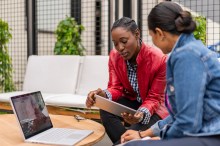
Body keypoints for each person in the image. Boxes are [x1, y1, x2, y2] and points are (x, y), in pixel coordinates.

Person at [120, 1, 220, 146]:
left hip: (212, 136)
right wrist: (143, 134)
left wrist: (159, 138)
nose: (152, 42)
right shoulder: (189, 50)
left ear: (159, 33)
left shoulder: (186, 56)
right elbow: (181, 115)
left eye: (151, 36)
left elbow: (187, 122)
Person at [86, 17, 169, 145]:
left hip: (155, 109)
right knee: (106, 109)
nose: (120, 48)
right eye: (115, 43)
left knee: (131, 134)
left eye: (124, 41)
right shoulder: (114, 56)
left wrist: (140, 114)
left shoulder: (159, 59)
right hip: (134, 103)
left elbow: (155, 98)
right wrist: (103, 94)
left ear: (137, 34)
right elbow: (116, 87)